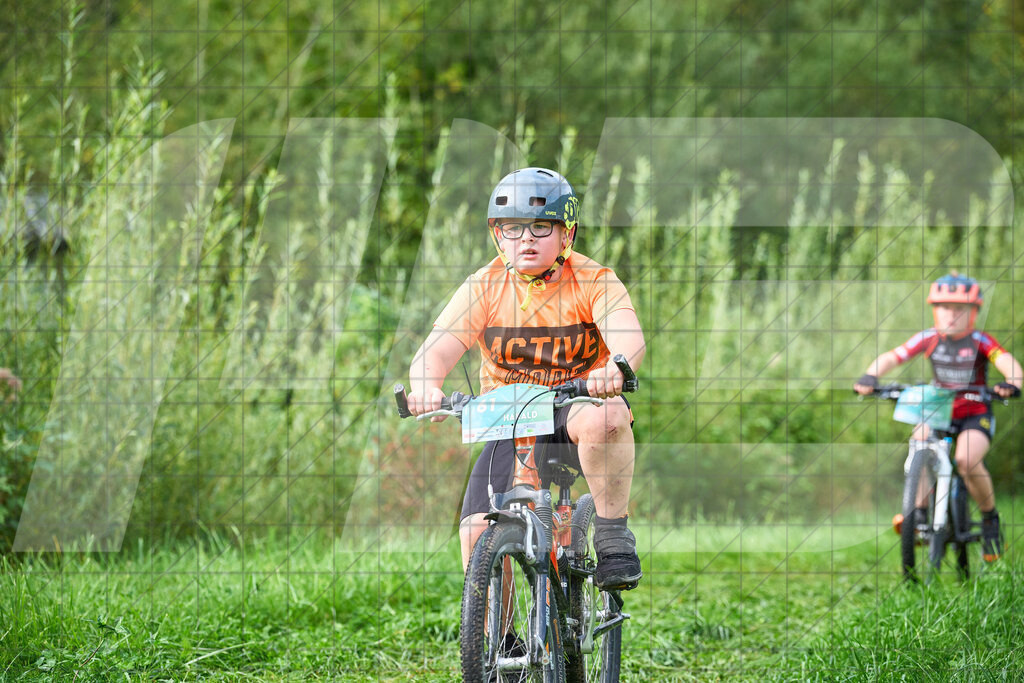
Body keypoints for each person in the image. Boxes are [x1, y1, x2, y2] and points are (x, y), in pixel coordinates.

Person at [405, 167, 646, 590]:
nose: (525, 239)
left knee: (607, 417)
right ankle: (504, 646)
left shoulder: (594, 280)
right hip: (511, 418)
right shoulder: (485, 286)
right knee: (476, 533)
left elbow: (628, 335)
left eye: (539, 227)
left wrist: (616, 367)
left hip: (577, 407)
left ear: (566, 235)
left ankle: (612, 535)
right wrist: (426, 385)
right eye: (512, 228)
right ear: (498, 236)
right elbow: (437, 349)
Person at [853, 273, 1022, 561]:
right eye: (945, 306)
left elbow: (1005, 361)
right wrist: (871, 375)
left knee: (967, 460)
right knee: (919, 440)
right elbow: (895, 356)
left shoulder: (980, 340)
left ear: (973, 311)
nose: (952, 313)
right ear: (935, 309)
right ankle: (917, 514)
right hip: (939, 411)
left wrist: (1013, 382)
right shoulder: (929, 338)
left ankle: (990, 520)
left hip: (975, 413)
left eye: (960, 308)